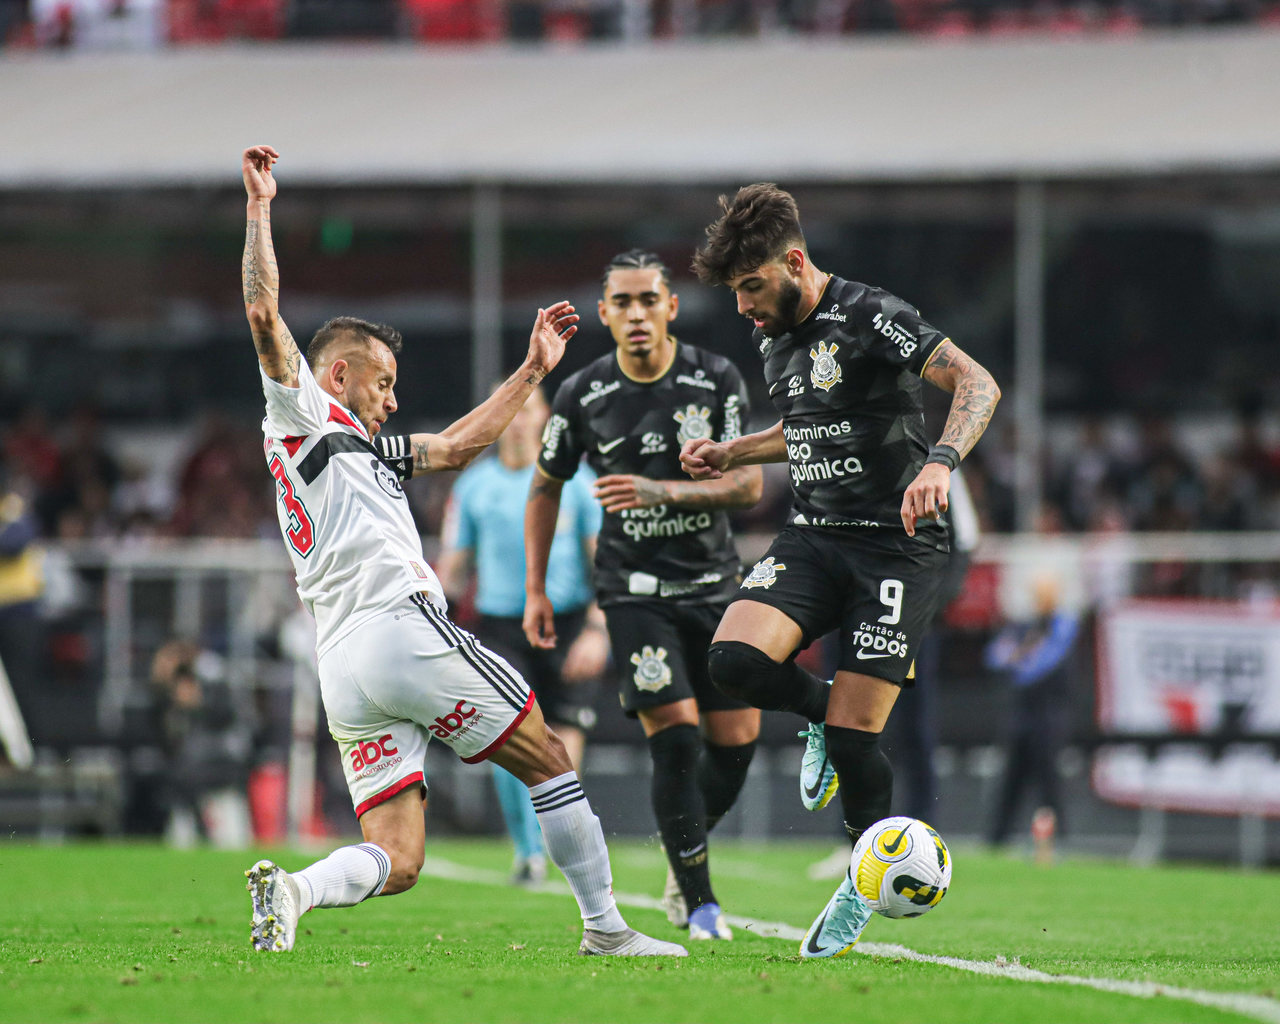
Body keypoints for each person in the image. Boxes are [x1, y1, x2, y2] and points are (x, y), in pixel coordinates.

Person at [238, 145, 684, 958]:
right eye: (382, 383)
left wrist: (529, 370)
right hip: (397, 627)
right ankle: (607, 930)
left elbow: (448, 447)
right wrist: (260, 208)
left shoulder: (353, 445)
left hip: (343, 663)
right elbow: (266, 319)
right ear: (336, 375)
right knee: (548, 755)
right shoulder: (303, 411)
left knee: (401, 858)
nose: (393, 397)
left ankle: (294, 892)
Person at [683, 183, 1000, 958]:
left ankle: (861, 888)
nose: (743, 308)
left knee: (860, 744)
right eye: (734, 293)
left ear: (794, 261)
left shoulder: (868, 313)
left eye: (751, 287)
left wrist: (942, 462)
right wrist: (734, 451)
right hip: (816, 534)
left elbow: (977, 382)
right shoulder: (773, 334)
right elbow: (810, 421)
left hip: (897, 544)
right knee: (732, 661)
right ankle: (825, 711)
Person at [524, 250, 764, 942]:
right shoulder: (584, 395)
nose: (635, 314)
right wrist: (538, 589)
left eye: (647, 300)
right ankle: (699, 901)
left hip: (715, 585)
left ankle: (679, 844)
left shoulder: (713, 379)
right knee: (677, 738)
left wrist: (663, 490)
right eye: (621, 303)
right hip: (632, 592)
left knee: (737, 741)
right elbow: (545, 487)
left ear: (671, 307)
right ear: (604, 314)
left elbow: (748, 487)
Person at [437, 385, 608, 887]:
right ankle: (530, 851)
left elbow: (604, 563)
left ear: (545, 418)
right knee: (510, 738)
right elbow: (454, 567)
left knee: (565, 742)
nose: (516, 420)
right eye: (509, 410)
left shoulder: (575, 480)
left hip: (567, 622)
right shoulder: (474, 487)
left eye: (526, 409)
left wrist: (598, 630)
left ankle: (557, 843)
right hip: (501, 625)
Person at [984, 568, 1080, 852]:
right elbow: (994, 656)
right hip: (1022, 715)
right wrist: (1019, 657)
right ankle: (997, 841)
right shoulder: (1025, 625)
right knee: (1010, 781)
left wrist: (1018, 659)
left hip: (1049, 715)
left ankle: (1058, 841)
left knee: (1049, 781)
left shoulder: (1063, 624)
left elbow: (1042, 664)